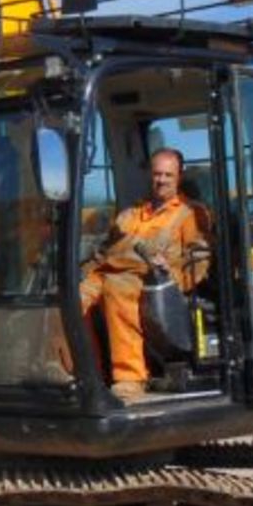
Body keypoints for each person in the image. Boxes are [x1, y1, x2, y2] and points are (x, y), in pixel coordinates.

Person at [79, 147, 214, 400]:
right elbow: (103, 253)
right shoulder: (131, 214)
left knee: (117, 289)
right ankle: (86, 373)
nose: (161, 180)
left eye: (167, 175)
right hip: (106, 272)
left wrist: (169, 275)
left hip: (148, 280)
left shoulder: (190, 214)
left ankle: (130, 377)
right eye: (156, 174)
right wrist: (83, 272)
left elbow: (199, 262)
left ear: (179, 177)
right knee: (70, 299)